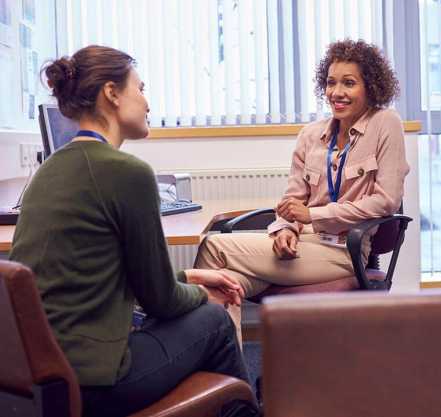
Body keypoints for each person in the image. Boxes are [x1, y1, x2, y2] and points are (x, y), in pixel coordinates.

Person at [9, 45, 253, 417]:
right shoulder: (126, 172)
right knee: (214, 321)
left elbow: (96, 277)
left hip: (42, 377)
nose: (148, 103)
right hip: (97, 382)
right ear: (111, 93)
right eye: (141, 88)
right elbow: (162, 302)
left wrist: (187, 276)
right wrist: (202, 295)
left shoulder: (49, 171)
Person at [195, 39, 410, 339]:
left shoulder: (385, 123)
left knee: (213, 247)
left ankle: (220, 371)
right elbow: (292, 200)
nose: (337, 93)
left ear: (370, 87)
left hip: (344, 249)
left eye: (349, 83)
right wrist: (284, 229)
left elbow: (386, 202)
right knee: (226, 281)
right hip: (303, 245)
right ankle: (231, 375)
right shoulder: (311, 135)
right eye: (331, 83)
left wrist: (313, 215)